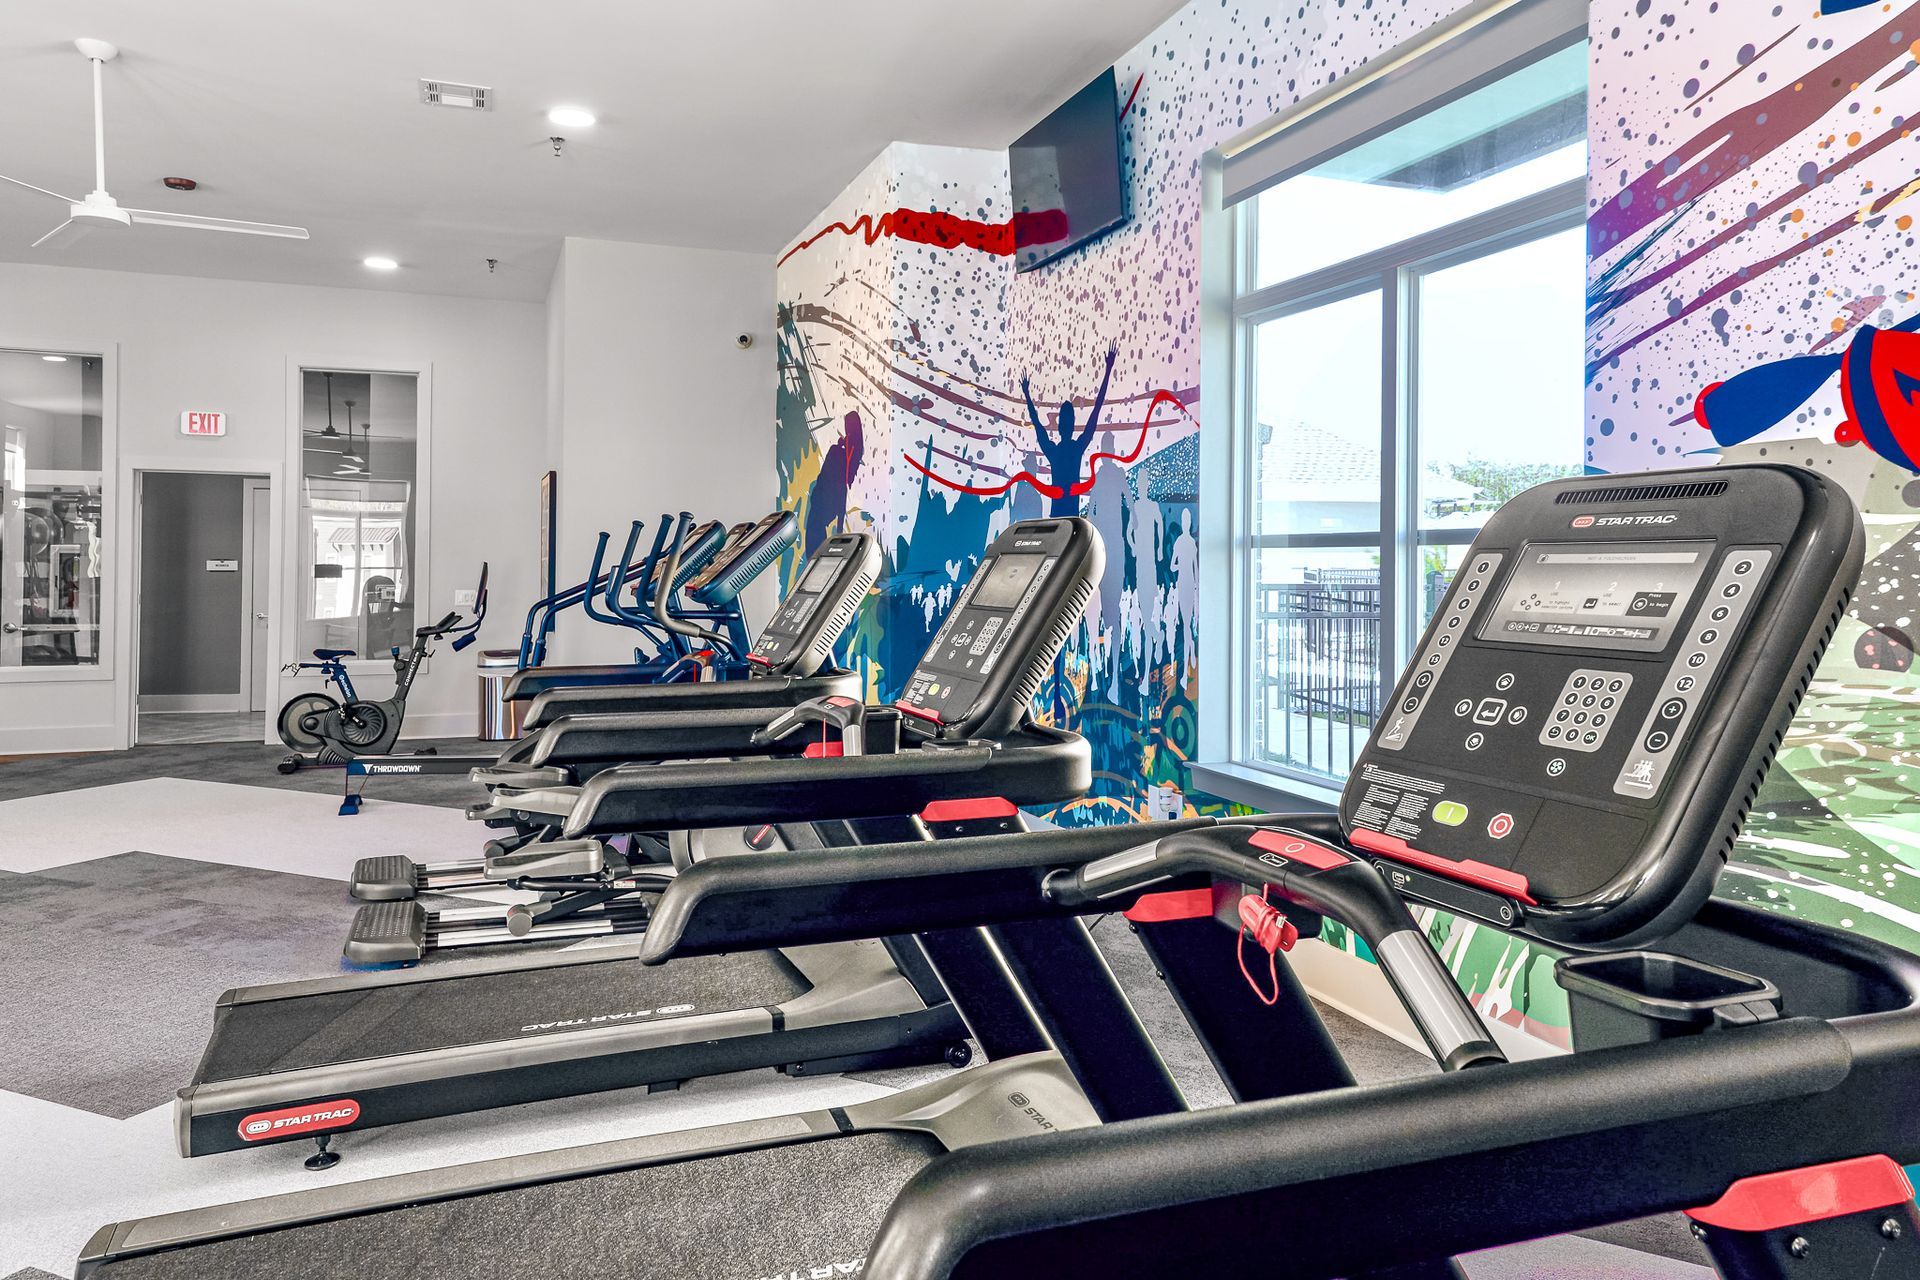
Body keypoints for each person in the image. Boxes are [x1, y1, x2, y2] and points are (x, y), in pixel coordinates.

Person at [1022, 344, 1118, 516]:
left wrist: (1027, 394)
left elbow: (1036, 421)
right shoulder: (1076, 448)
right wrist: (1108, 369)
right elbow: (1097, 408)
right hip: (1071, 518)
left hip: (1058, 517)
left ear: (1059, 426)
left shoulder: (1053, 451)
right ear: (1073, 425)